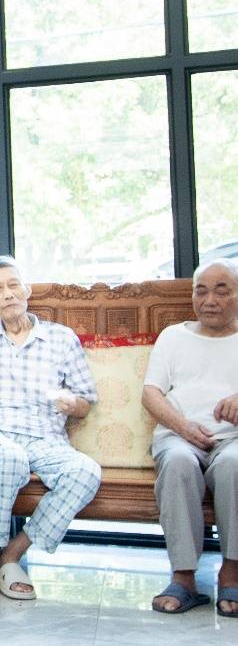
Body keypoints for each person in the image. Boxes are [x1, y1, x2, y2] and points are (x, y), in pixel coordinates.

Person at [0, 256, 101, 601]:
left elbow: (85, 401)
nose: (7, 294)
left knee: (86, 472)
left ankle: (12, 554)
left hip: (44, 435)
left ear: (27, 290)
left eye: (13, 285)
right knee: (10, 458)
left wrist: (70, 402)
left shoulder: (61, 339)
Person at [144, 258, 238, 617]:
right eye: (201, 290)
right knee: (179, 462)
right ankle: (183, 577)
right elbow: (150, 393)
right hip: (179, 436)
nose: (209, 299)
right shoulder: (174, 336)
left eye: (221, 290)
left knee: (234, 465)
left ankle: (232, 570)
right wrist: (183, 427)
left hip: (233, 440)